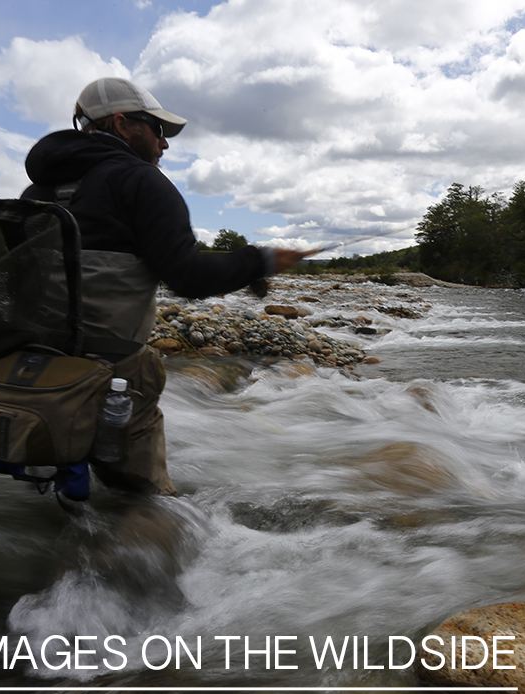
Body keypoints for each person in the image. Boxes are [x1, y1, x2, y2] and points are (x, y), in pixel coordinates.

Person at [20, 77, 315, 497]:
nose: (165, 144)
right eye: (157, 130)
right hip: (113, 372)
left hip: (32, 367)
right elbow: (188, 277)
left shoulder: (36, 191)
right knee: (143, 503)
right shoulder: (142, 181)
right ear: (123, 124)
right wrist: (260, 260)